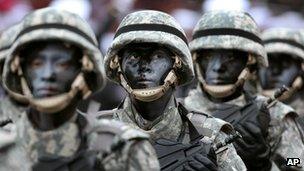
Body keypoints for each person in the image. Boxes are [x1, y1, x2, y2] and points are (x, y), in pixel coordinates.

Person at [0, 8, 159, 171]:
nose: (48, 75)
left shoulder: (122, 149)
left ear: (85, 70)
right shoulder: (4, 151)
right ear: (20, 71)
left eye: (62, 64)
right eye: (37, 64)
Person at [101, 10, 246, 171]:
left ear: (178, 65)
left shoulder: (210, 135)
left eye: (157, 56)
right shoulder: (94, 133)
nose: (144, 66)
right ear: (118, 65)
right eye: (134, 57)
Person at [185, 11, 304, 170]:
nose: (218, 67)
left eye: (231, 57)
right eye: (208, 57)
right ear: (195, 60)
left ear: (251, 62)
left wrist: (267, 161)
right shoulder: (173, 113)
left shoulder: (274, 116)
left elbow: (297, 162)